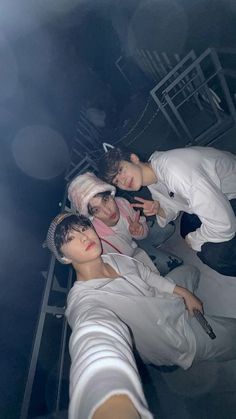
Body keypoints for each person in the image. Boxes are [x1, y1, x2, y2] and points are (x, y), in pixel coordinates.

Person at [45, 212, 236, 419]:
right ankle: (173, 363)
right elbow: (93, 335)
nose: (84, 237)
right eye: (70, 238)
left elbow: (146, 276)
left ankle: (185, 294)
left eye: (83, 228)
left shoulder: (110, 257)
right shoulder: (84, 301)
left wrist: (184, 293)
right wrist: (107, 398)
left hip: (165, 302)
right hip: (175, 338)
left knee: (190, 272)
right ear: (64, 257)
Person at [98, 146, 236, 276]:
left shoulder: (175, 171)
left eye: (121, 170)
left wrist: (195, 239)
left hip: (231, 193)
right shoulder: (152, 171)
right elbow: (172, 204)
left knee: (213, 255)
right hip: (220, 193)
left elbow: (224, 225)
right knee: (187, 226)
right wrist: (159, 209)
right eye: (116, 181)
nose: (122, 181)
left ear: (134, 159)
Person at [68, 172, 182, 275]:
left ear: (111, 194)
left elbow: (142, 225)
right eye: (96, 210)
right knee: (175, 265)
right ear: (91, 216)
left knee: (169, 227)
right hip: (133, 256)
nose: (108, 211)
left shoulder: (121, 203)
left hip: (138, 239)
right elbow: (124, 267)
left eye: (106, 200)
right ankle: (152, 251)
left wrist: (139, 231)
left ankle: (152, 246)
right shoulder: (99, 239)